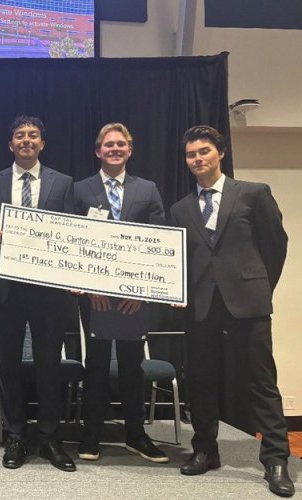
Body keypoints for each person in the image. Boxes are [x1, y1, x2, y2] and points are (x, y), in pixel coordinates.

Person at [169, 125, 294, 497]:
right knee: (202, 382)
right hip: (201, 307)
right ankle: (206, 451)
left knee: (261, 382)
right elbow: (178, 261)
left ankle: (275, 460)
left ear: (220, 153)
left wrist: (257, 287)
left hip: (247, 304)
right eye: (191, 154)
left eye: (204, 151)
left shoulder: (253, 194)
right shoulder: (180, 208)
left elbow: (276, 245)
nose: (197, 159)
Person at [0, 115, 76, 471]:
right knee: (9, 366)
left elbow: (73, 232)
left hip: (50, 293)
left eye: (33, 135)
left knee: (50, 366)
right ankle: (16, 436)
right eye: (19, 135)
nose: (26, 140)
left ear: (42, 143)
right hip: (6, 291)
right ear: (10, 144)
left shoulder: (64, 184)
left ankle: (49, 437)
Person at [73, 123, 168, 463]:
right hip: (95, 297)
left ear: (130, 149)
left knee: (132, 366)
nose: (114, 149)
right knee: (95, 366)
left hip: (133, 297)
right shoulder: (80, 189)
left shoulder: (148, 189)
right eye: (108, 145)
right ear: (98, 151)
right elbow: (74, 242)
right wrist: (89, 287)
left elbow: (158, 242)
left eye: (121, 144)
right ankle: (91, 434)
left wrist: (141, 290)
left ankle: (136, 435)